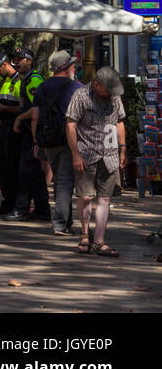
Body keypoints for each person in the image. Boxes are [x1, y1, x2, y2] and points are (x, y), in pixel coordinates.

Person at [66, 66, 127, 257]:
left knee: (105, 198)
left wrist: (123, 149)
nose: (110, 93)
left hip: (109, 154)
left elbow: (119, 122)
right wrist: (75, 154)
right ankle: (85, 235)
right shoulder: (81, 95)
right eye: (107, 89)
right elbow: (70, 124)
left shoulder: (114, 97)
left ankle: (100, 241)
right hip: (87, 153)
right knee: (85, 196)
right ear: (97, 84)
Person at [29, 50, 83, 236]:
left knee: (60, 180)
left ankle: (65, 221)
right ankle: (60, 224)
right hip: (69, 140)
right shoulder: (76, 87)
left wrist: (37, 140)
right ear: (66, 68)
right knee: (65, 182)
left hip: (48, 140)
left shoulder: (42, 87)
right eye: (72, 66)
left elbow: (35, 116)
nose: (74, 68)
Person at [9, 48, 49, 222]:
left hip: (32, 133)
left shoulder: (34, 80)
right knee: (34, 173)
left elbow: (36, 109)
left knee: (25, 172)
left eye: (20, 59)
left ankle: (22, 209)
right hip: (28, 132)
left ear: (29, 61)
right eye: (15, 59)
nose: (17, 62)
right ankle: (42, 209)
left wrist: (19, 118)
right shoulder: (25, 79)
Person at [0, 52, 23, 216]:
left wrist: (3, 108)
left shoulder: (21, 80)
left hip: (16, 128)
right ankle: (7, 201)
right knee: (3, 167)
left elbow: (24, 108)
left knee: (13, 167)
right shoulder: (6, 81)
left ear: (4, 65)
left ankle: (17, 203)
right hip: (3, 127)